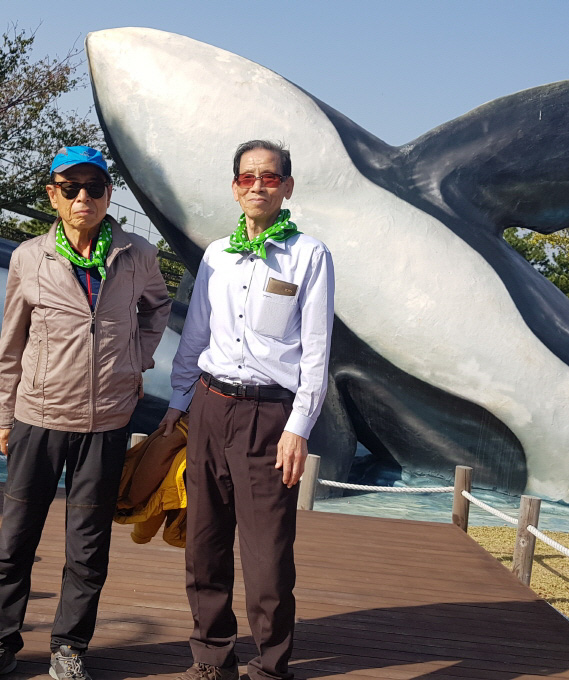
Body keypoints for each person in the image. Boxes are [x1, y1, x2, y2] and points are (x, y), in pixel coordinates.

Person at [0, 146, 172, 680]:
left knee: (88, 544)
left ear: (108, 195)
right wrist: (4, 415)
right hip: (39, 415)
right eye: (71, 188)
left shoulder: (138, 254)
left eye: (94, 188)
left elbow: (158, 308)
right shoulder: (29, 257)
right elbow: (12, 341)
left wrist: (137, 358)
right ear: (53, 195)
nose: (83, 198)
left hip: (107, 419)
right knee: (15, 538)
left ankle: (69, 647)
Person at [157, 140, 335, 680]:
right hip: (210, 406)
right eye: (247, 177)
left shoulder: (309, 255)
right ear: (235, 187)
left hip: (270, 416)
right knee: (204, 543)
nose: (257, 185)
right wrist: (179, 403)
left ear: (287, 187)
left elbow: (317, 351)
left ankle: (270, 667)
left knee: (268, 555)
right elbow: (195, 335)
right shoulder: (217, 254)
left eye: (269, 177)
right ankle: (211, 657)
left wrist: (299, 426)